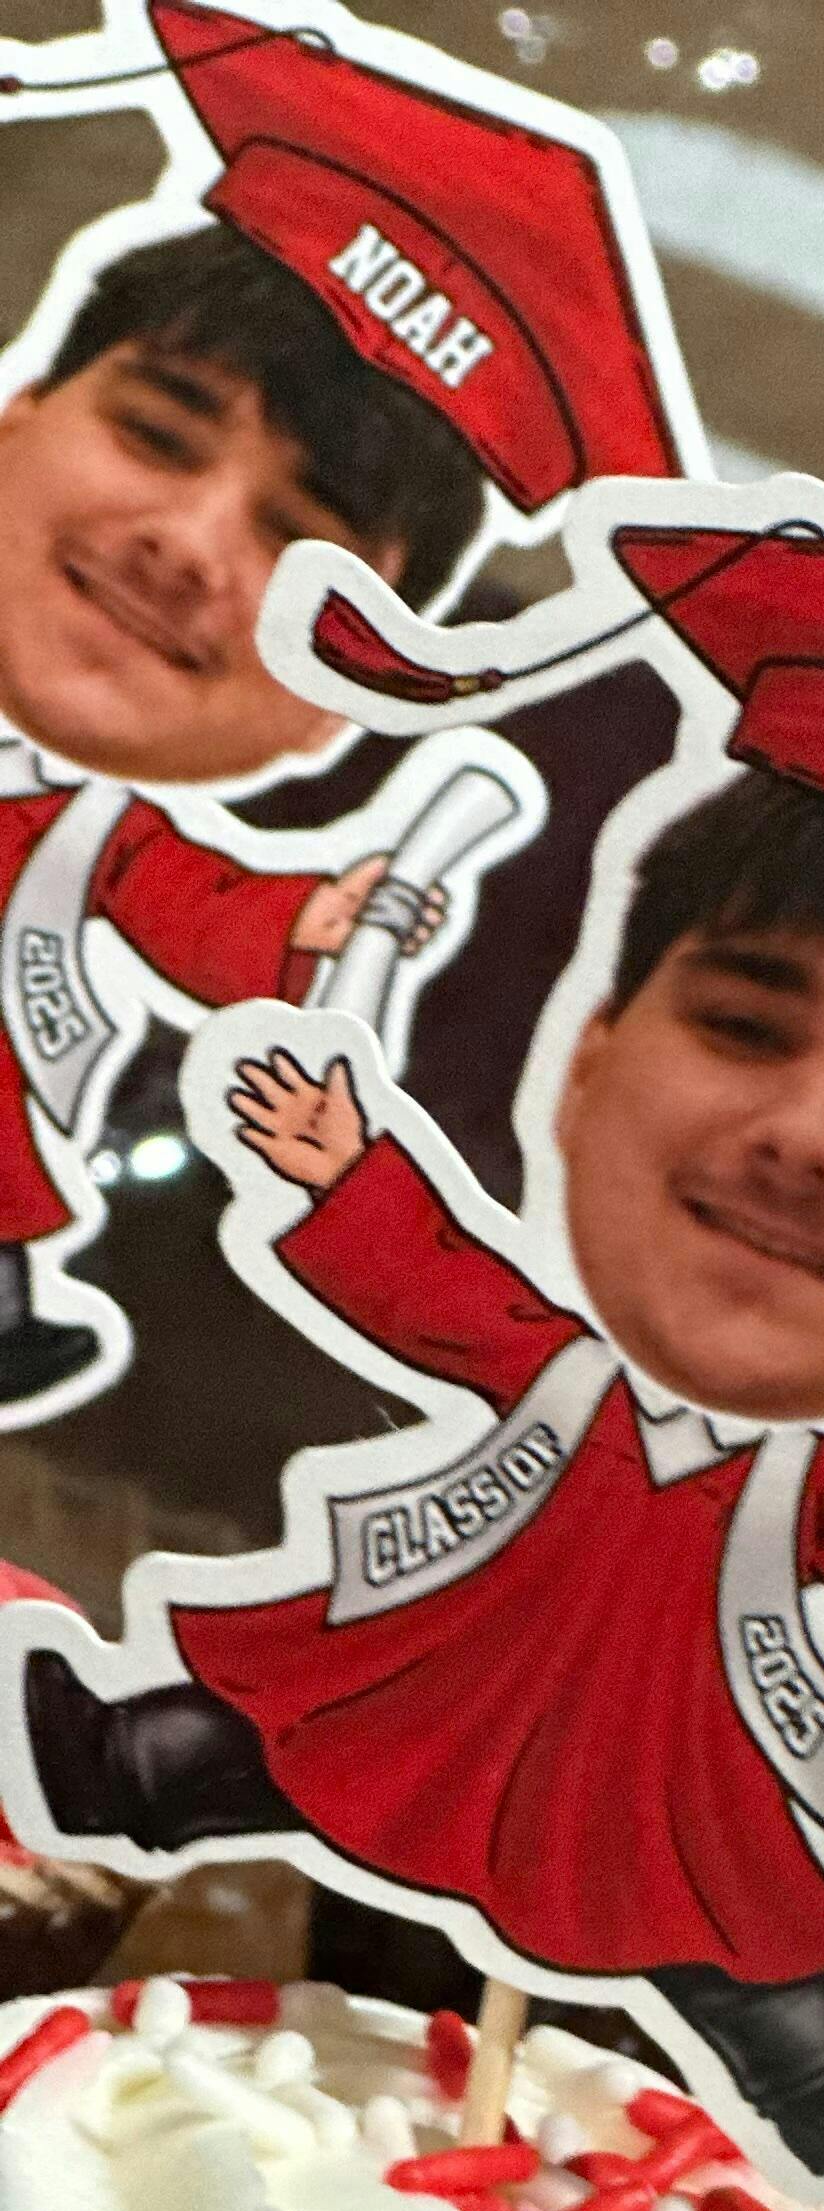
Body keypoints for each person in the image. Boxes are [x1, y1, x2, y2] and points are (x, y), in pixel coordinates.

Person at [25, 775, 824, 2168]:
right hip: (465, 1651)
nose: (804, 1140)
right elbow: (431, 1284)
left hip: (674, 1752)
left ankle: (819, 2070)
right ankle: (118, 1760)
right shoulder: (552, 1363)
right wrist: (348, 1175)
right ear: (583, 1065)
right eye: (744, 1028)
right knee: (318, 1730)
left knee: (717, 1913)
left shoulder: (814, 1498)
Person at [0, 228, 487, 1404]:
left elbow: (183, 900)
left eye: (300, 541)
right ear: (13, 419)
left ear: (342, 699)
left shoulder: (88, 838)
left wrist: (318, 920)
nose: (186, 547)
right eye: (156, 437)